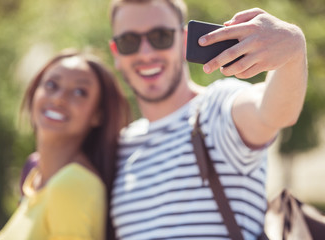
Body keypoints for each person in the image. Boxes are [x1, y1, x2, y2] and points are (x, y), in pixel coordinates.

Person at [108, 0, 307, 239]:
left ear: (183, 40)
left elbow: (274, 112)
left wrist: (293, 50)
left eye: (160, 36)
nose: (146, 52)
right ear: (116, 53)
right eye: (129, 42)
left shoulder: (217, 107)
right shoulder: (119, 146)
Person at [0, 50, 131, 240]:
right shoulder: (35, 179)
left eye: (79, 92)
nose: (59, 98)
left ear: (97, 115)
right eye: (51, 85)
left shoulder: (72, 185)